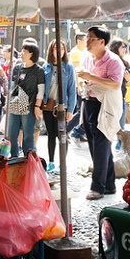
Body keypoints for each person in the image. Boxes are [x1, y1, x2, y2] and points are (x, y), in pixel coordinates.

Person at [76, 26, 125, 201]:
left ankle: (97, 188)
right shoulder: (87, 57)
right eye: (87, 38)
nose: (87, 42)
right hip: (89, 102)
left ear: (102, 42)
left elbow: (115, 84)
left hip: (106, 106)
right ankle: (109, 184)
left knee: (101, 145)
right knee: (97, 145)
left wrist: (91, 77)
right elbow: (86, 76)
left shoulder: (113, 60)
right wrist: (84, 80)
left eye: (91, 39)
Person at [38, 39, 77, 172]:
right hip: (48, 106)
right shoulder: (45, 67)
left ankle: (62, 164)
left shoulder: (68, 67)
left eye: (62, 48)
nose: (59, 51)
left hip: (62, 107)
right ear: (51, 50)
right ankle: (51, 162)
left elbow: (72, 90)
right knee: (50, 134)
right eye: (56, 48)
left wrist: (70, 109)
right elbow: (41, 88)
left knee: (62, 135)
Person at [5, 41, 43, 159]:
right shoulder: (17, 68)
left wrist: (37, 106)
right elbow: (11, 87)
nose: (21, 54)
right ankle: (14, 156)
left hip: (29, 105)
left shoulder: (38, 70)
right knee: (12, 132)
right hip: (15, 103)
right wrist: (8, 101)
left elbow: (41, 90)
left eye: (24, 52)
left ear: (32, 54)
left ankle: (28, 156)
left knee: (28, 134)